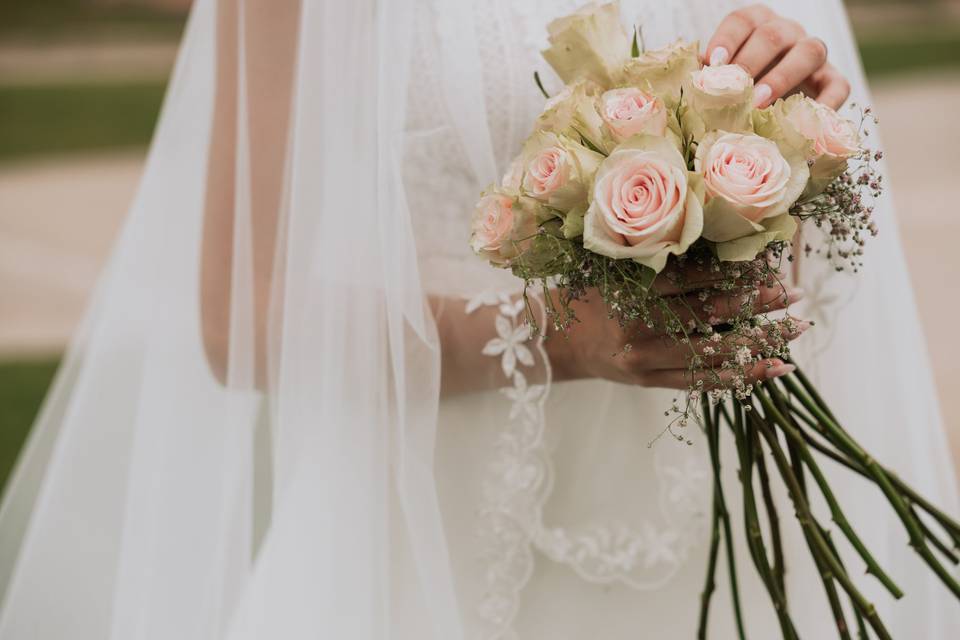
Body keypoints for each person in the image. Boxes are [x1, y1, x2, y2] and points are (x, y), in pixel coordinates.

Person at [1, 1, 956, 638]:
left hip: (723, 534)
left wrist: (795, 133)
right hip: (426, 542)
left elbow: (823, 267)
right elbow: (242, 322)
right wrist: (562, 336)